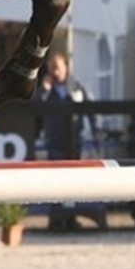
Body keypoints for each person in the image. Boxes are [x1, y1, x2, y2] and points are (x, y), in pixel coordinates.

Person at [35, 51, 100, 231]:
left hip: (75, 140)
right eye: (51, 68)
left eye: (57, 67)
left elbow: (91, 110)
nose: (54, 72)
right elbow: (35, 107)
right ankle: (56, 219)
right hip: (54, 140)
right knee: (56, 180)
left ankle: (72, 217)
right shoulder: (46, 90)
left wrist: (95, 133)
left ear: (66, 67)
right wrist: (45, 90)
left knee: (74, 180)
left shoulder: (77, 87)